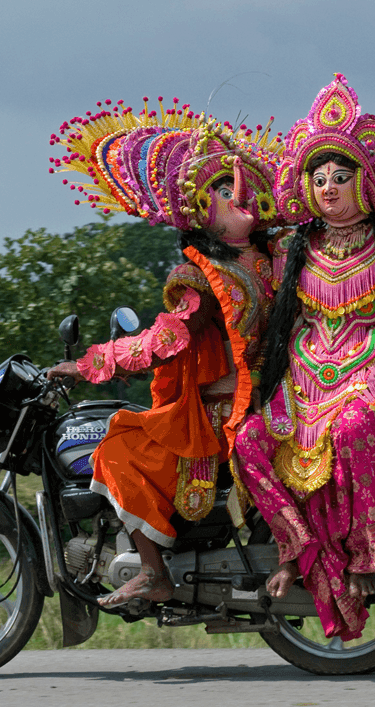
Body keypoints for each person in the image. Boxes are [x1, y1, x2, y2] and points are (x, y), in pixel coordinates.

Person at [232, 74, 375, 640]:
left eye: (341, 176)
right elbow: (242, 265)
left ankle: (368, 557)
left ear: (368, 182)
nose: (329, 187)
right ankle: (296, 546)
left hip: (370, 383)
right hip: (303, 385)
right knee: (246, 442)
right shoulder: (292, 247)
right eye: (318, 177)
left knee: (357, 426)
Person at [44, 98, 283, 608]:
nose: (238, 196)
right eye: (224, 190)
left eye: (238, 187)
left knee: (115, 449)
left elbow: (164, 341)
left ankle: (154, 573)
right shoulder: (266, 263)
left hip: (221, 416)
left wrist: (89, 364)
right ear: (201, 209)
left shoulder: (201, 274)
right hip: (261, 402)